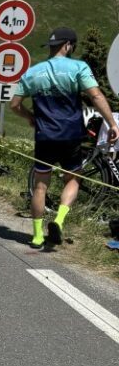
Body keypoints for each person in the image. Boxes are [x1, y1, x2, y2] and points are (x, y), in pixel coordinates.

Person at [10, 26, 119, 248]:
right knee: (73, 179)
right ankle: (59, 220)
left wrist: (30, 117)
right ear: (68, 46)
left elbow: (14, 104)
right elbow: (96, 95)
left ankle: (37, 236)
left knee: (40, 187)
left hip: (44, 135)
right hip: (71, 135)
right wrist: (112, 123)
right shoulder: (78, 67)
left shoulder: (33, 72)